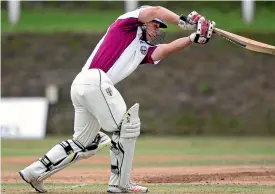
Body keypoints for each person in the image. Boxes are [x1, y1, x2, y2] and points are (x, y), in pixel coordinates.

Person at [18, 5, 216, 193]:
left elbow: (166, 49)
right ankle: (120, 184)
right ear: (145, 21)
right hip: (95, 80)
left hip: (82, 85)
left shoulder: (143, 49)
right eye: (155, 25)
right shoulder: (125, 24)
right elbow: (157, 10)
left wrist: (193, 37)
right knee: (127, 127)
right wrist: (186, 22)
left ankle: (33, 173)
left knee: (83, 143)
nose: (157, 31)